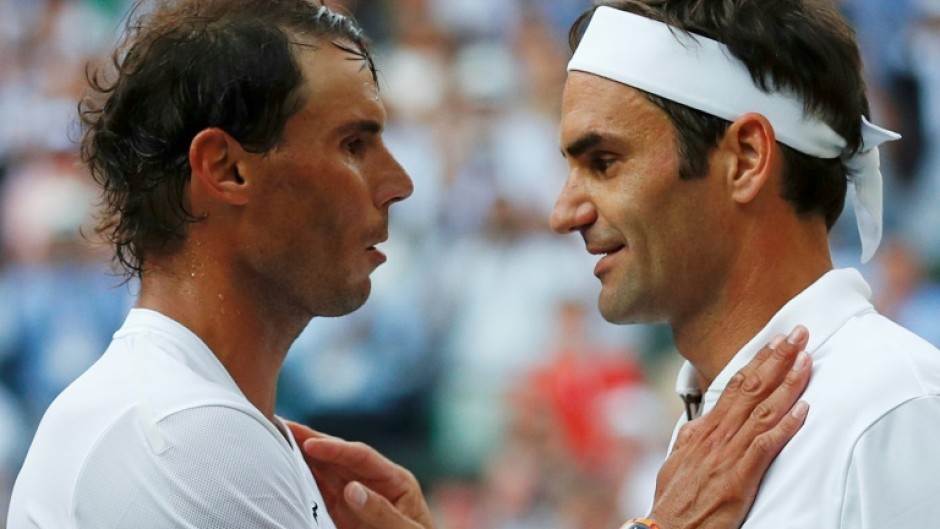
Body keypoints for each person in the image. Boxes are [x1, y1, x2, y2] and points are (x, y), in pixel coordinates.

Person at [7, 1, 811, 528]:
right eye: (355, 144)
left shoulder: (176, 414)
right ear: (227, 169)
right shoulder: (184, 434)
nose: (400, 183)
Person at [552, 1, 940, 528]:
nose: (564, 213)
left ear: (747, 158)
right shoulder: (706, 428)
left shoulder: (893, 409)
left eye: (604, 162)